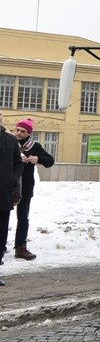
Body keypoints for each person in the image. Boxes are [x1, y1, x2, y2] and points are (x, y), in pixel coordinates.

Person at [11, 118, 54, 260]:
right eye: (17, 130)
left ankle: (20, 247)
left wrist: (37, 158)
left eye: (22, 131)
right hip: (8, 185)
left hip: (25, 187)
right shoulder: (9, 142)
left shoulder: (34, 146)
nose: (19, 133)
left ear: (29, 133)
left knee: (23, 218)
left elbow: (50, 161)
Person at [0, 110, 25, 286]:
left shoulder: (10, 140)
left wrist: (13, 179)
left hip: (3, 194)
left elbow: (18, 163)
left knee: (1, 234)